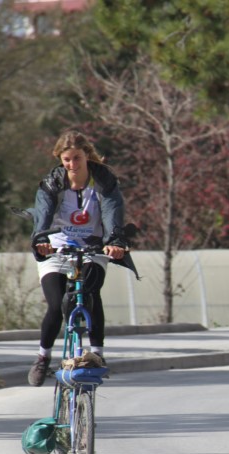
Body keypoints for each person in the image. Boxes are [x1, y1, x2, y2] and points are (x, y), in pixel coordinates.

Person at [27, 130, 137, 387]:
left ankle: (96, 353)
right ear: (60, 159)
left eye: (76, 158)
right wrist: (41, 239)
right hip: (56, 249)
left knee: (90, 292)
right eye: (66, 160)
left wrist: (115, 242)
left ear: (86, 156)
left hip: (93, 249)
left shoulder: (104, 181)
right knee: (56, 305)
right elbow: (42, 215)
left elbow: (112, 211)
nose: (72, 165)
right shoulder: (51, 184)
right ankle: (43, 357)